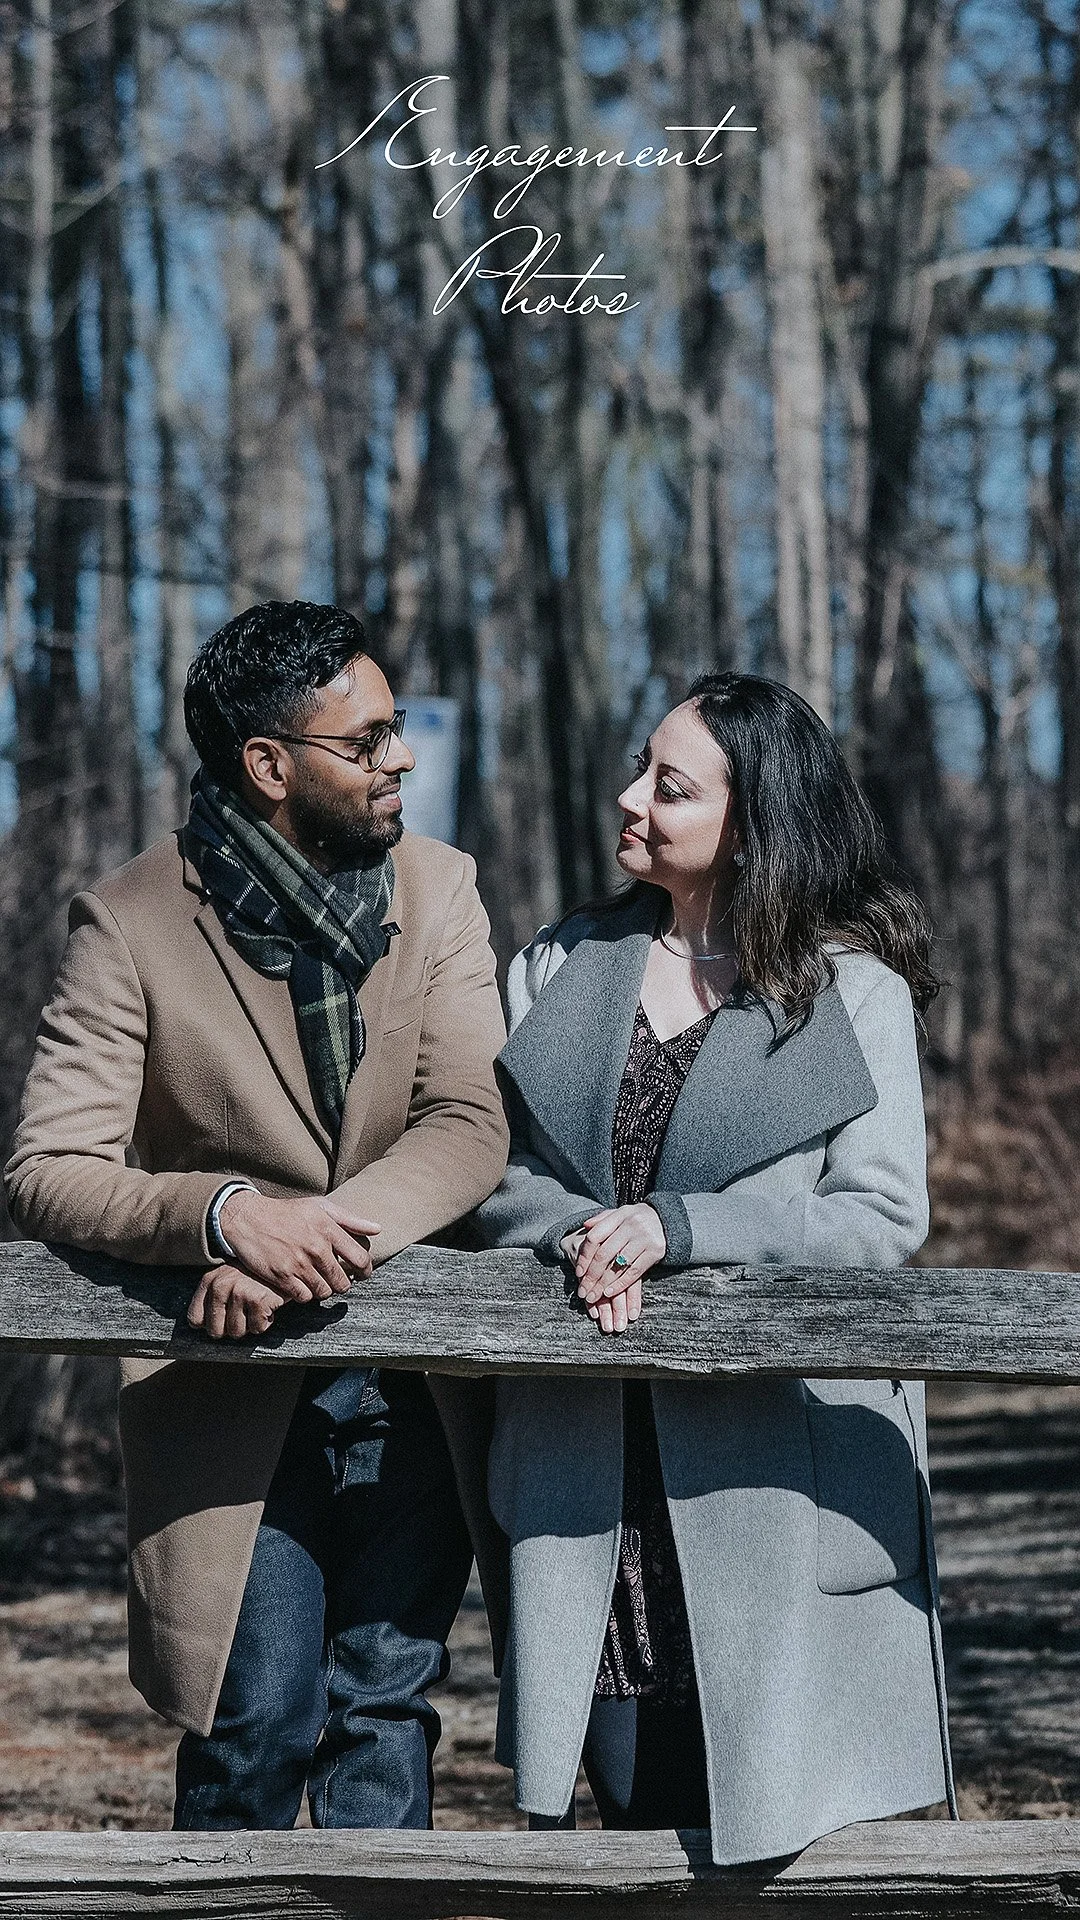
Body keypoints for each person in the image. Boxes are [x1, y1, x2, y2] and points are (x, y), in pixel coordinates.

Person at [4, 600, 509, 1831]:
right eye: (368, 738)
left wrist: (301, 1243)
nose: (399, 759)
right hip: (223, 1390)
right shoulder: (125, 922)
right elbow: (46, 1167)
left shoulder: (440, 891)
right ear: (269, 766)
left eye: (398, 731)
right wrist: (224, 1216)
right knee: (255, 1722)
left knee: (384, 1710)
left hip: (412, 1372)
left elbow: (470, 1124)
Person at [475, 671, 955, 1865]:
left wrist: (684, 1227)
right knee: (631, 1825)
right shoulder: (557, 963)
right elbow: (494, 1171)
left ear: (755, 821)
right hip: (588, 1468)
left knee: (775, 1845)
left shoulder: (856, 994)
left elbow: (881, 1216)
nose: (629, 797)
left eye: (671, 786)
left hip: (771, 1477)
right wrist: (578, 1231)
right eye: (643, 767)